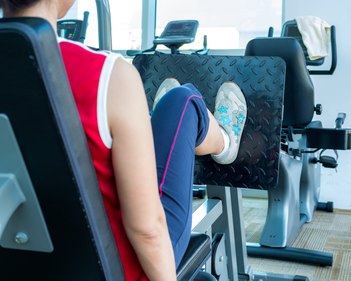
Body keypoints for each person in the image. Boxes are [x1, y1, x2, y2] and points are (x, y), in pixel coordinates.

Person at [0, 0, 247, 280]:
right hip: (121, 270)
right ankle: (225, 141)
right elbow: (147, 230)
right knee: (182, 101)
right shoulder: (109, 75)